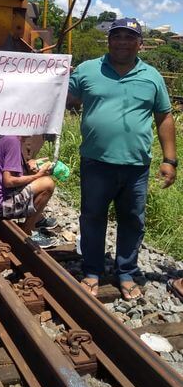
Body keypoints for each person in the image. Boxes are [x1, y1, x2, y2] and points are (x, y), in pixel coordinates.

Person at [67, 18, 177, 299]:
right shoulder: (88, 70)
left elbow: (164, 116)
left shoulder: (152, 76)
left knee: (132, 220)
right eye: (117, 36)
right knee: (92, 217)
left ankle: (126, 272)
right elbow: (59, 95)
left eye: (130, 37)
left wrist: (170, 160)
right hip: (96, 163)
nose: (122, 42)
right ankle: (92, 271)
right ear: (109, 41)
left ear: (140, 43)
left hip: (136, 167)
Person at [0, 135, 58, 248]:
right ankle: (27, 232)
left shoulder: (7, 139)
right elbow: (9, 181)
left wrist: (31, 165)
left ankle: (38, 218)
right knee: (47, 184)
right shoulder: (13, 142)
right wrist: (38, 175)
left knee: (38, 181)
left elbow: (11, 174)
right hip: (0, 206)